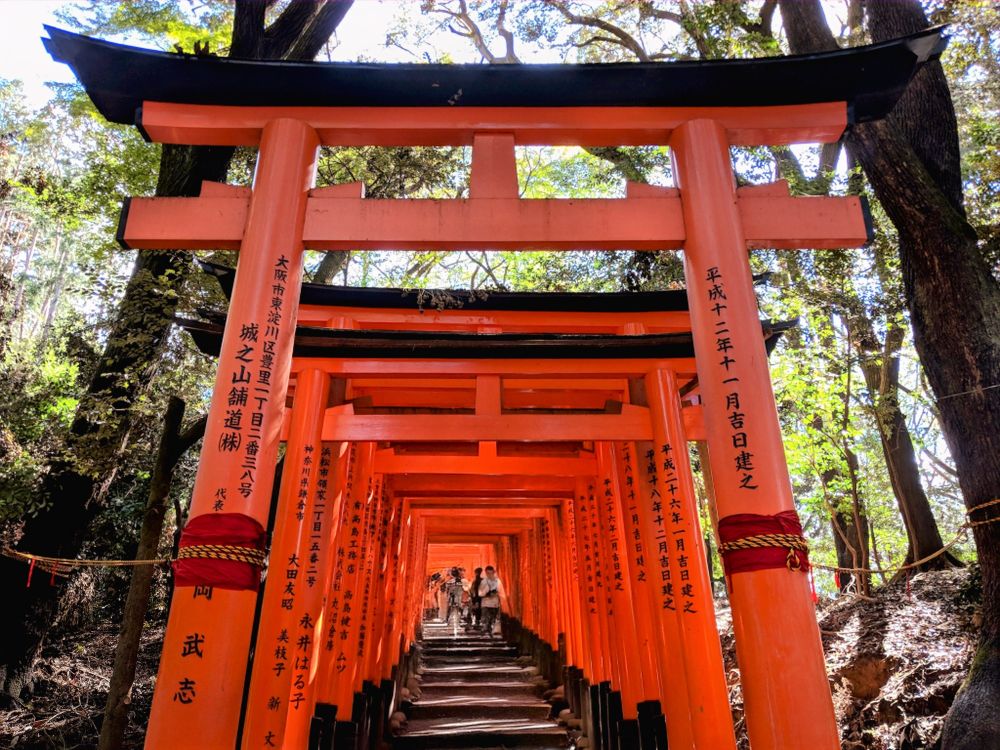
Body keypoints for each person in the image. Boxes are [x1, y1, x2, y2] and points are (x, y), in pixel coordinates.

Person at [478, 565, 505, 638]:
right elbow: (479, 593)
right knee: (486, 619)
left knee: (493, 619)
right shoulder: (484, 581)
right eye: (488, 573)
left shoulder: (498, 581)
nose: (489, 575)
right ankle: (487, 634)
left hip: (495, 604)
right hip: (486, 604)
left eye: (491, 573)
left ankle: (490, 633)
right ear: (486, 573)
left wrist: (497, 594)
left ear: (494, 572)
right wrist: (486, 593)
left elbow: (502, 593)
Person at [466, 567, 483, 631]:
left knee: (477, 610)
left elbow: (472, 590)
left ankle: (477, 623)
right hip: (478, 598)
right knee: (477, 610)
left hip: (477, 597)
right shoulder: (478, 580)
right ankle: (477, 623)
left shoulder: (476, 581)